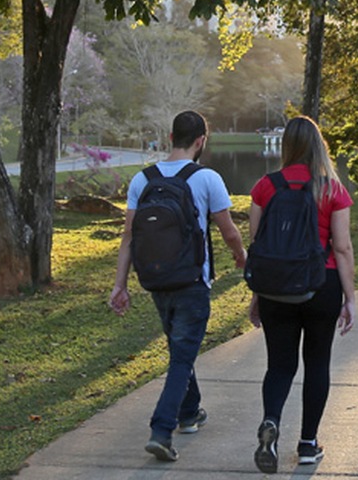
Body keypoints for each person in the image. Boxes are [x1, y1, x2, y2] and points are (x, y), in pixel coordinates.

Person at [110, 110, 248, 462]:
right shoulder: (207, 178)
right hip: (192, 280)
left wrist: (120, 285)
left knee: (180, 350)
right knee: (183, 354)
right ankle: (161, 428)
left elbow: (128, 237)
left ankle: (190, 413)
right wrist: (242, 257)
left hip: (156, 280)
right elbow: (228, 230)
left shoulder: (143, 180)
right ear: (201, 140)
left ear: (171, 138)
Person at [247, 116, 358, 473]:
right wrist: (350, 297)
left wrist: (257, 295)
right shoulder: (331, 190)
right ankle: (308, 444)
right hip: (320, 284)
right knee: (317, 363)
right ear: (318, 145)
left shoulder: (265, 186)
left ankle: (271, 421)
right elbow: (341, 248)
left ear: (287, 147)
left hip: (276, 287)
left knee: (279, 365)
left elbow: (257, 245)